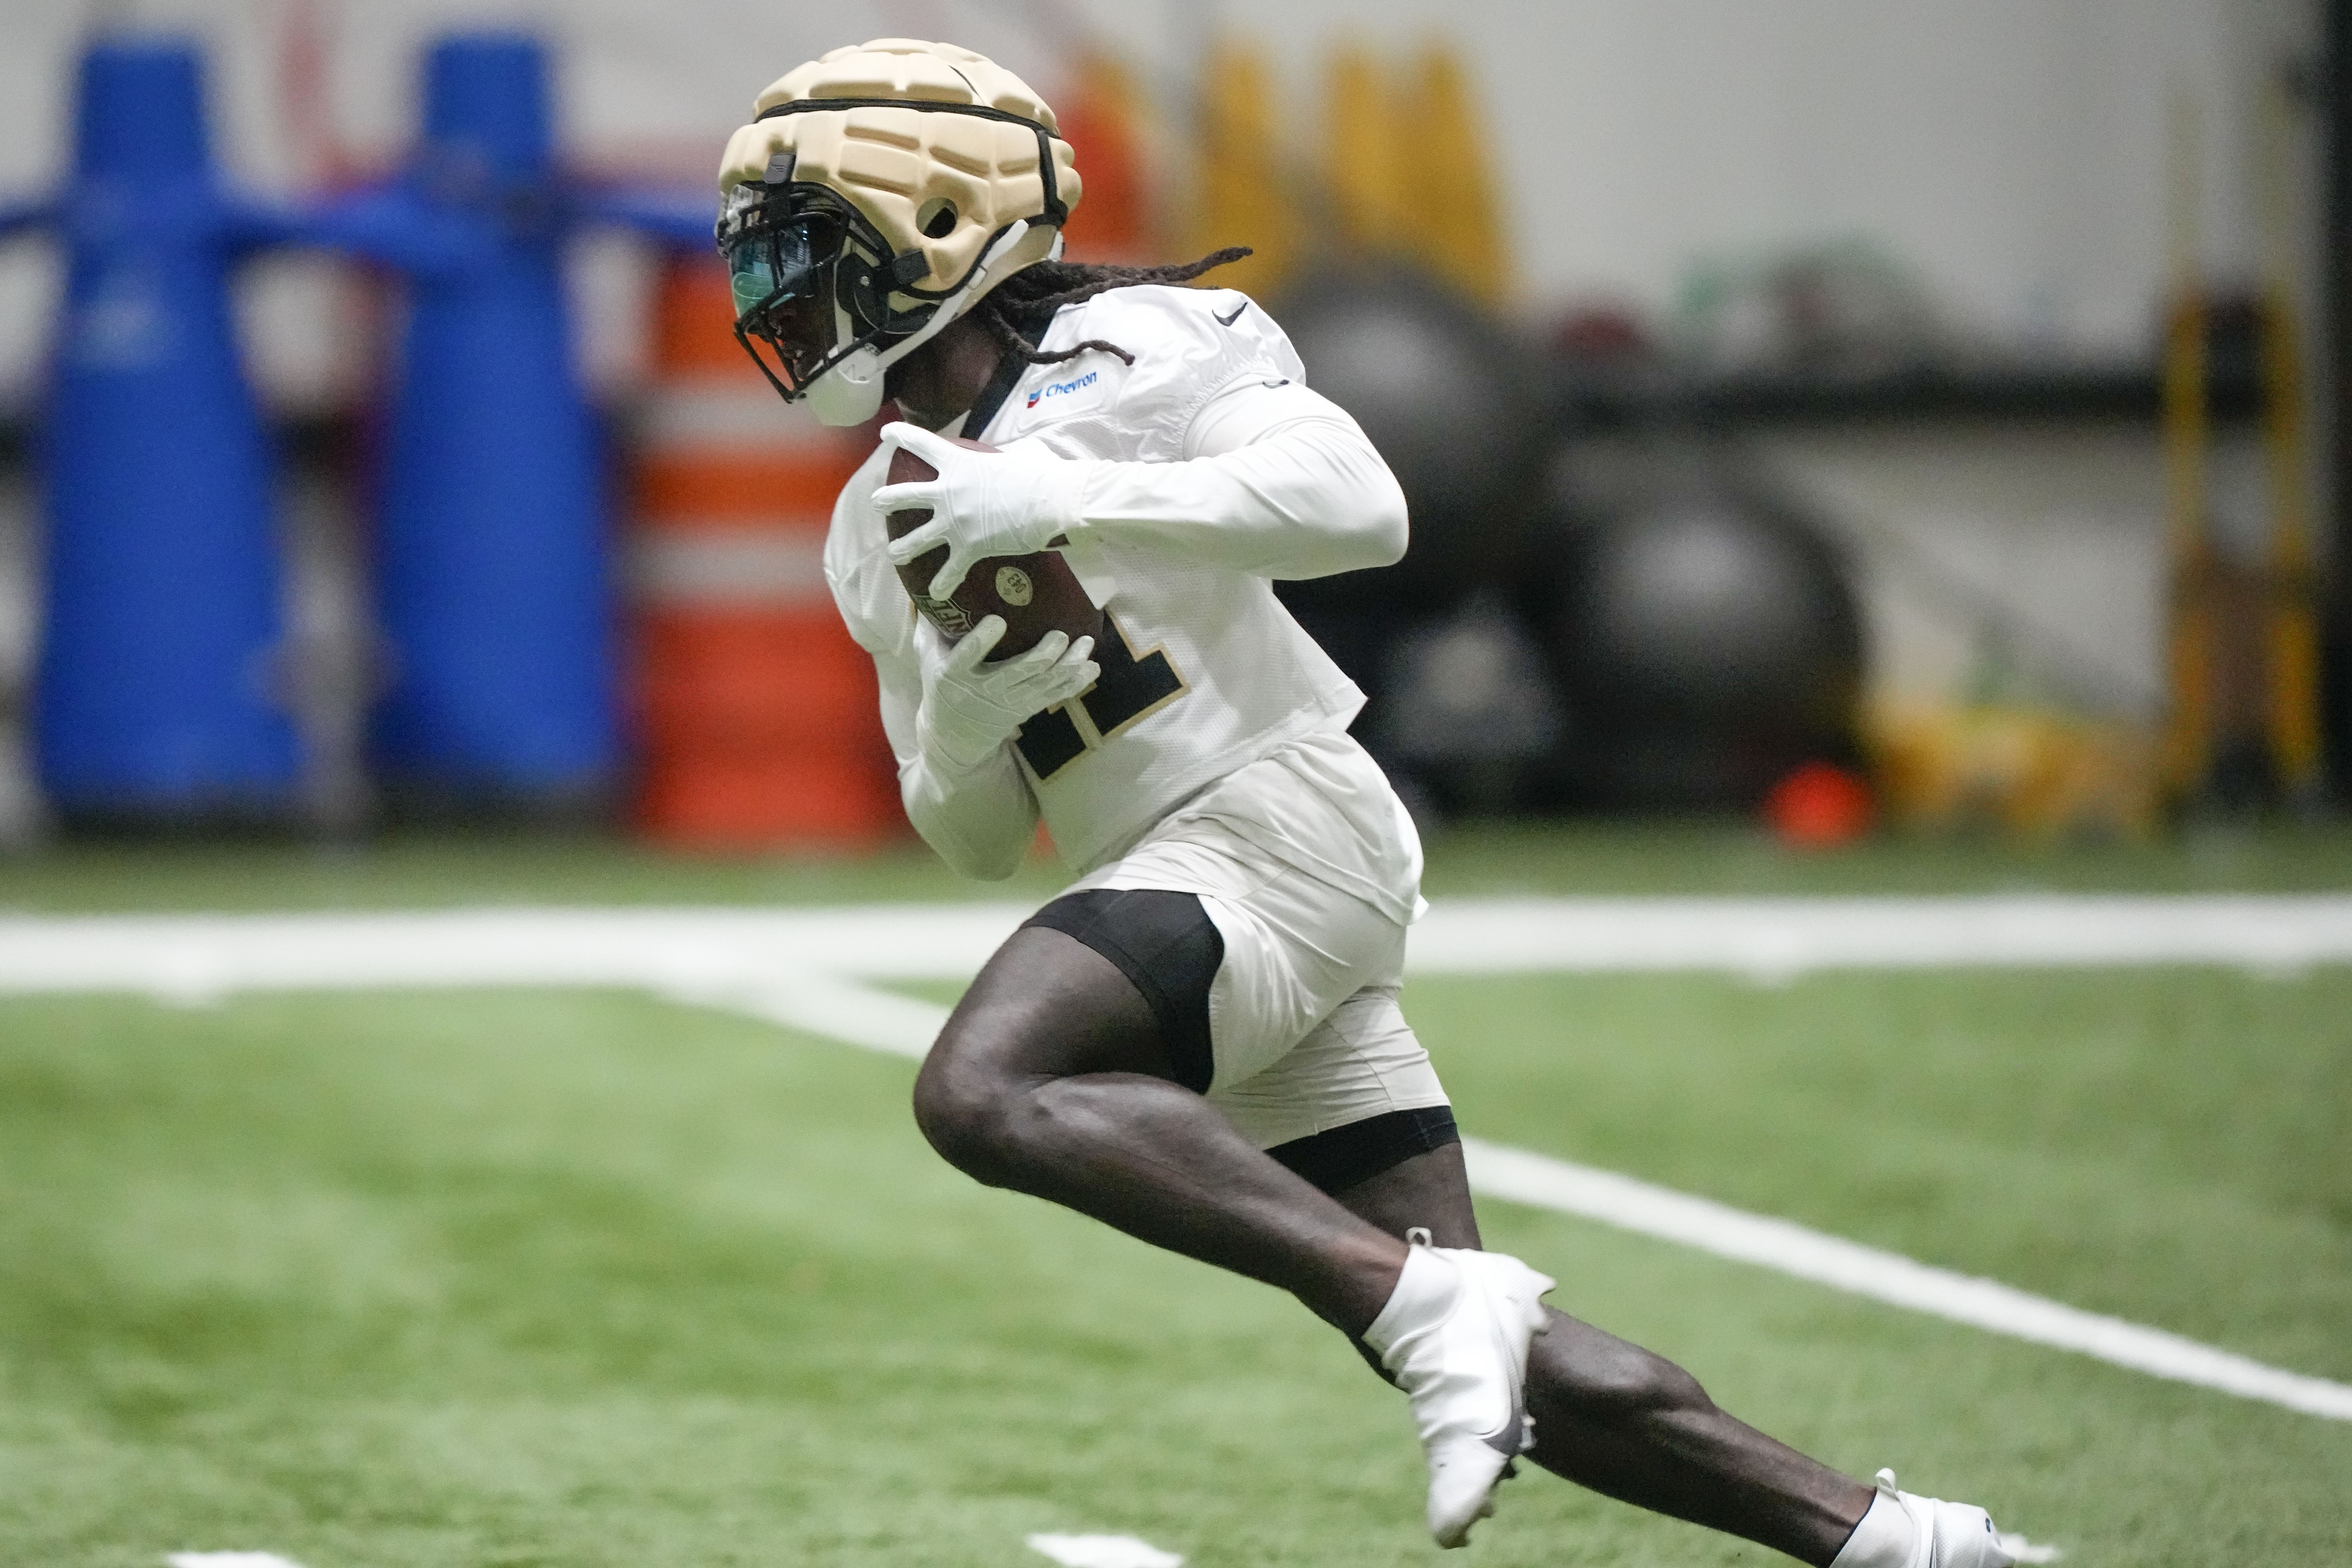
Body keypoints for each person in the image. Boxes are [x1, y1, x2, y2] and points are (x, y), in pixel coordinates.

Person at [715, 39, 2020, 1566]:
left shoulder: (1139, 347)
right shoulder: (874, 521)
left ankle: (1422, 1304)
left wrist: (1062, 492)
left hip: (1281, 817)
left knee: (981, 1089)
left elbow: (1361, 508)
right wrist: (961, 718)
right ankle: (1898, 1539)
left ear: (937, 224)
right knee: (1491, 1352)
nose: (768, 299)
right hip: (1185, 875)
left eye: (800, 251)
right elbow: (975, 836)